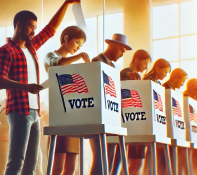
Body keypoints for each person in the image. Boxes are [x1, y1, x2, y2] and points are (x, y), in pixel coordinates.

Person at [0, 1, 80, 174]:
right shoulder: (6, 50)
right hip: (19, 110)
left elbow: (50, 29)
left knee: (32, 164)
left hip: (35, 111)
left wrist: (67, 3)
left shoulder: (31, 47)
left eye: (35, 28)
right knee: (16, 161)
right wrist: (25, 87)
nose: (34, 31)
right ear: (19, 25)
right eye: (31, 27)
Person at [44, 26, 89, 175]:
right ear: (66, 38)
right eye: (77, 42)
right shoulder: (50, 56)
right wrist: (79, 56)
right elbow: (58, 64)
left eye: (80, 46)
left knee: (71, 166)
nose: (78, 48)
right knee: (57, 165)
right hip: (59, 116)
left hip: (74, 116)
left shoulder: (74, 67)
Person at [91, 33, 132, 175]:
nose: (122, 54)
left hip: (110, 115)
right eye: (121, 50)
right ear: (112, 45)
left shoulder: (113, 66)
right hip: (99, 116)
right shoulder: (97, 61)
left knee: (110, 158)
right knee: (101, 159)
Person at [119, 49, 151, 174]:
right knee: (131, 161)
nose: (145, 67)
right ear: (137, 59)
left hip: (136, 120)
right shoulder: (126, 73)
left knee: (136, 161)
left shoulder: (137, 77)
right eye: (145, 63)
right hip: (129, 121)